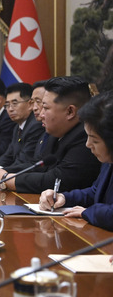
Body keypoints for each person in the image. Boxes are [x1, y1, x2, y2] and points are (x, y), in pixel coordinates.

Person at [0, 76, 101, 193]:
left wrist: (5, 179)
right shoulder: (56, 133)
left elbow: (57, 180)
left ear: (70, 111)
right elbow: (36, 165)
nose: (41, 114)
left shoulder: (86, 136)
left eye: (46, 108)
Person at [39, 91, 113, 231]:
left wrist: (88, 212)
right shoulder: (108, 161)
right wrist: (63, 197)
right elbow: (95, 192)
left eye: (95, 140)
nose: (88, 144)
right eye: (88, 137)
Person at [0, 83, 44, 170]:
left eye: (14, 103)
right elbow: (8, 156)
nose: (10, 109)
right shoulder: (18, 126)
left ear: (30, 104)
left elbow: (23, 161)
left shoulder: (36, 125)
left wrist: (0, 173)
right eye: (7, 105)